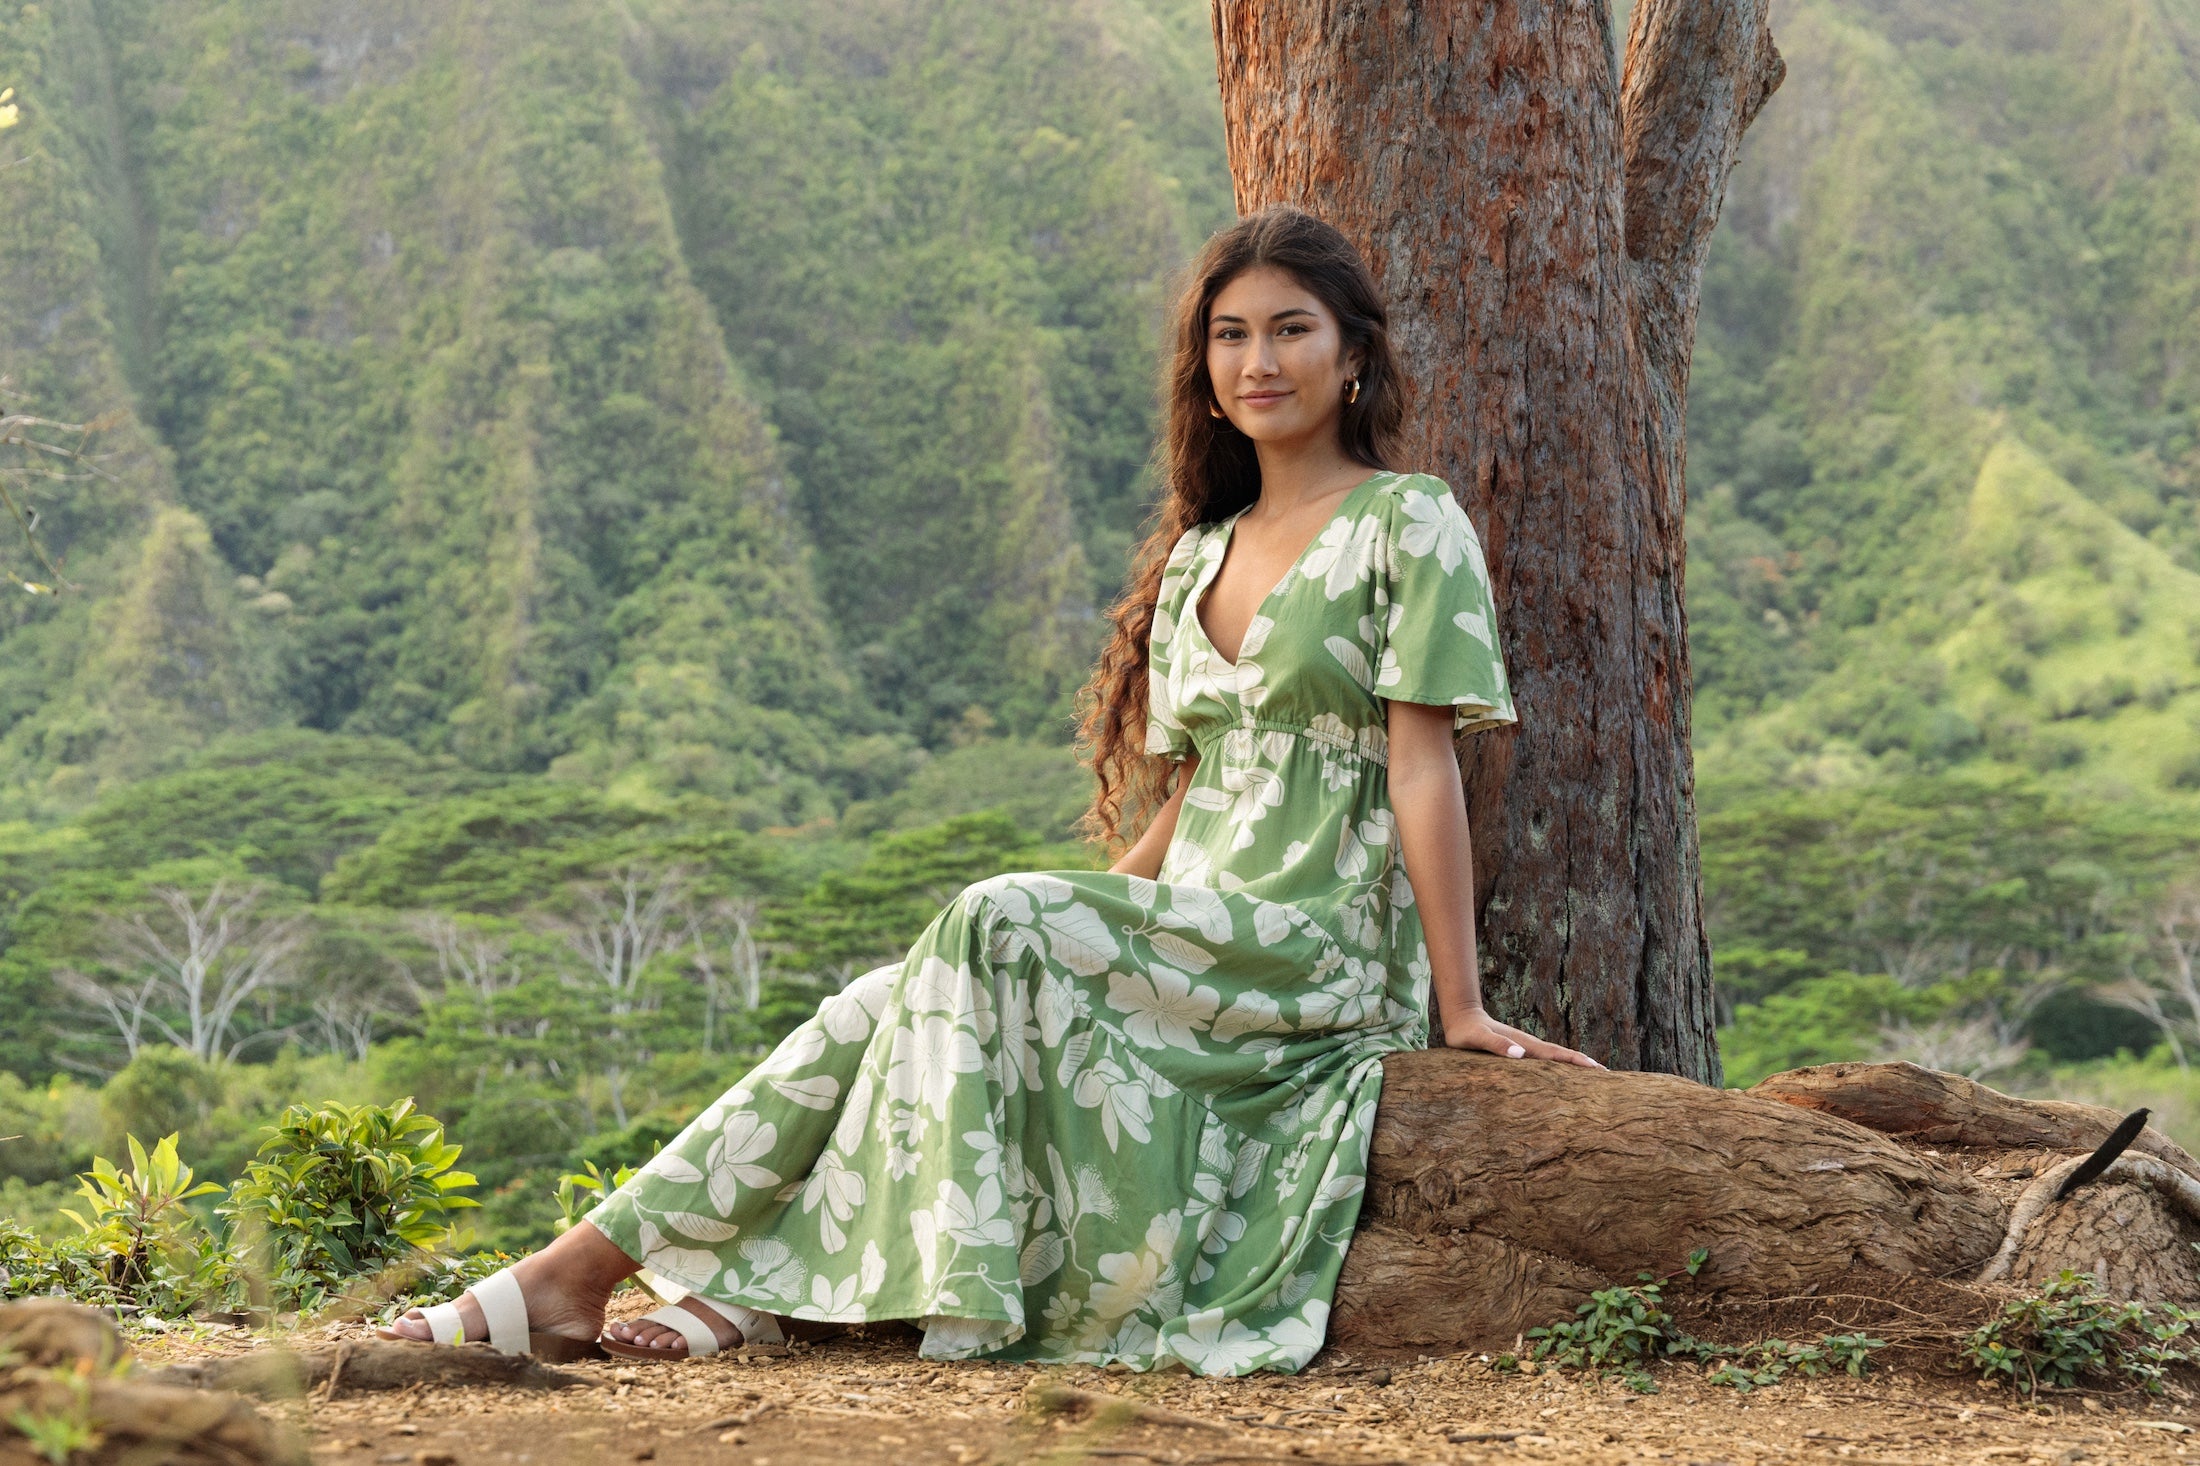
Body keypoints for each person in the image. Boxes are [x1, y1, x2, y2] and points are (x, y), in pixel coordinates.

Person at [381, 204, 1601, 1375]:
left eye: (1290, 327)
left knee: (994, 914)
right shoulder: (1197, 557)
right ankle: (587, 1270)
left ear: (1351, 356)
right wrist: (1091, 916)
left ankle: (718, 1282)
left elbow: (1421, 762)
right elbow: (1198, 800)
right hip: (1196, 937)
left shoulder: (1406, 521)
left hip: (1321, 944)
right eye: (1229, 334)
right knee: (897, 987)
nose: (1257, 359)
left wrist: (1457, 1004)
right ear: (1203, 365)